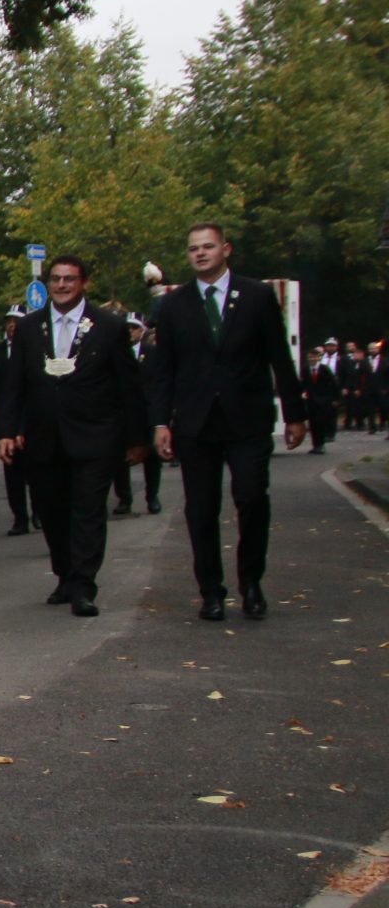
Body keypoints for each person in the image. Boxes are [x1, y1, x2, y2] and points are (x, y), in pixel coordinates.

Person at [143, 222, 308, 622]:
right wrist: (160, 422)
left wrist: (295, 414)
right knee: (201, 509)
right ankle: (211, 591)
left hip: (246, 418)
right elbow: (163, 370)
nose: (200, 254)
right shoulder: (174, 305)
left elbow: (279, 357)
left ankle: (251, 582)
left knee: (251, 498)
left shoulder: (256, 296)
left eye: (208, 246)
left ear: (226, 249)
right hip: (196, 423)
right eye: (193, 249)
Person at [0, 255, 145, 617]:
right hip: (44, 437)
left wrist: (137, 437)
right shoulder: (29, 328)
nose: (62, 285)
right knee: (51, 510)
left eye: (70, 279)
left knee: (88, 511)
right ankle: (64, 574)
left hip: (95, 436)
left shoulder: (109, 327)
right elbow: (14, 384)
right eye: (56, 279)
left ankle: (83, 585)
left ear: (84, 283)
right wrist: (7, 430)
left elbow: (129, 385)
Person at [0, 306, 37, 536]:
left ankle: (40, 512)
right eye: (9, 321)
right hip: (6, 420)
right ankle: (20, 518)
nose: (13, 326)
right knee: (12, 473)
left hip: (33, 420)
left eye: (17, 321)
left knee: (37, 472)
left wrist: (24, 427)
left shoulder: (37, 351)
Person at [111, 316, 164, 515]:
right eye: (127, 328)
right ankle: (124, 498)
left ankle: (152, 496)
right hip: (122, 414)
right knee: (120, 458)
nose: (130, 331)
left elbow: (159, 381)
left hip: (147, 412)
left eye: (134, 328)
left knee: (152, 458)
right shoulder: (114, 352)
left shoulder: (152, 352)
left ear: (141, 331)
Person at [304, 340, 340, 453]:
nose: (312, 359)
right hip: (311, 401)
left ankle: (321, 444)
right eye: (310, 357)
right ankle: (316, 445)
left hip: (323, 400)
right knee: (313, 424)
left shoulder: (324, 369)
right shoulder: (305, 370)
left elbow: (334, 384)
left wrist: (335, 398)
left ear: (318, 357)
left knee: (321, 422)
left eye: (314, 357)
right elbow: (303, 384)